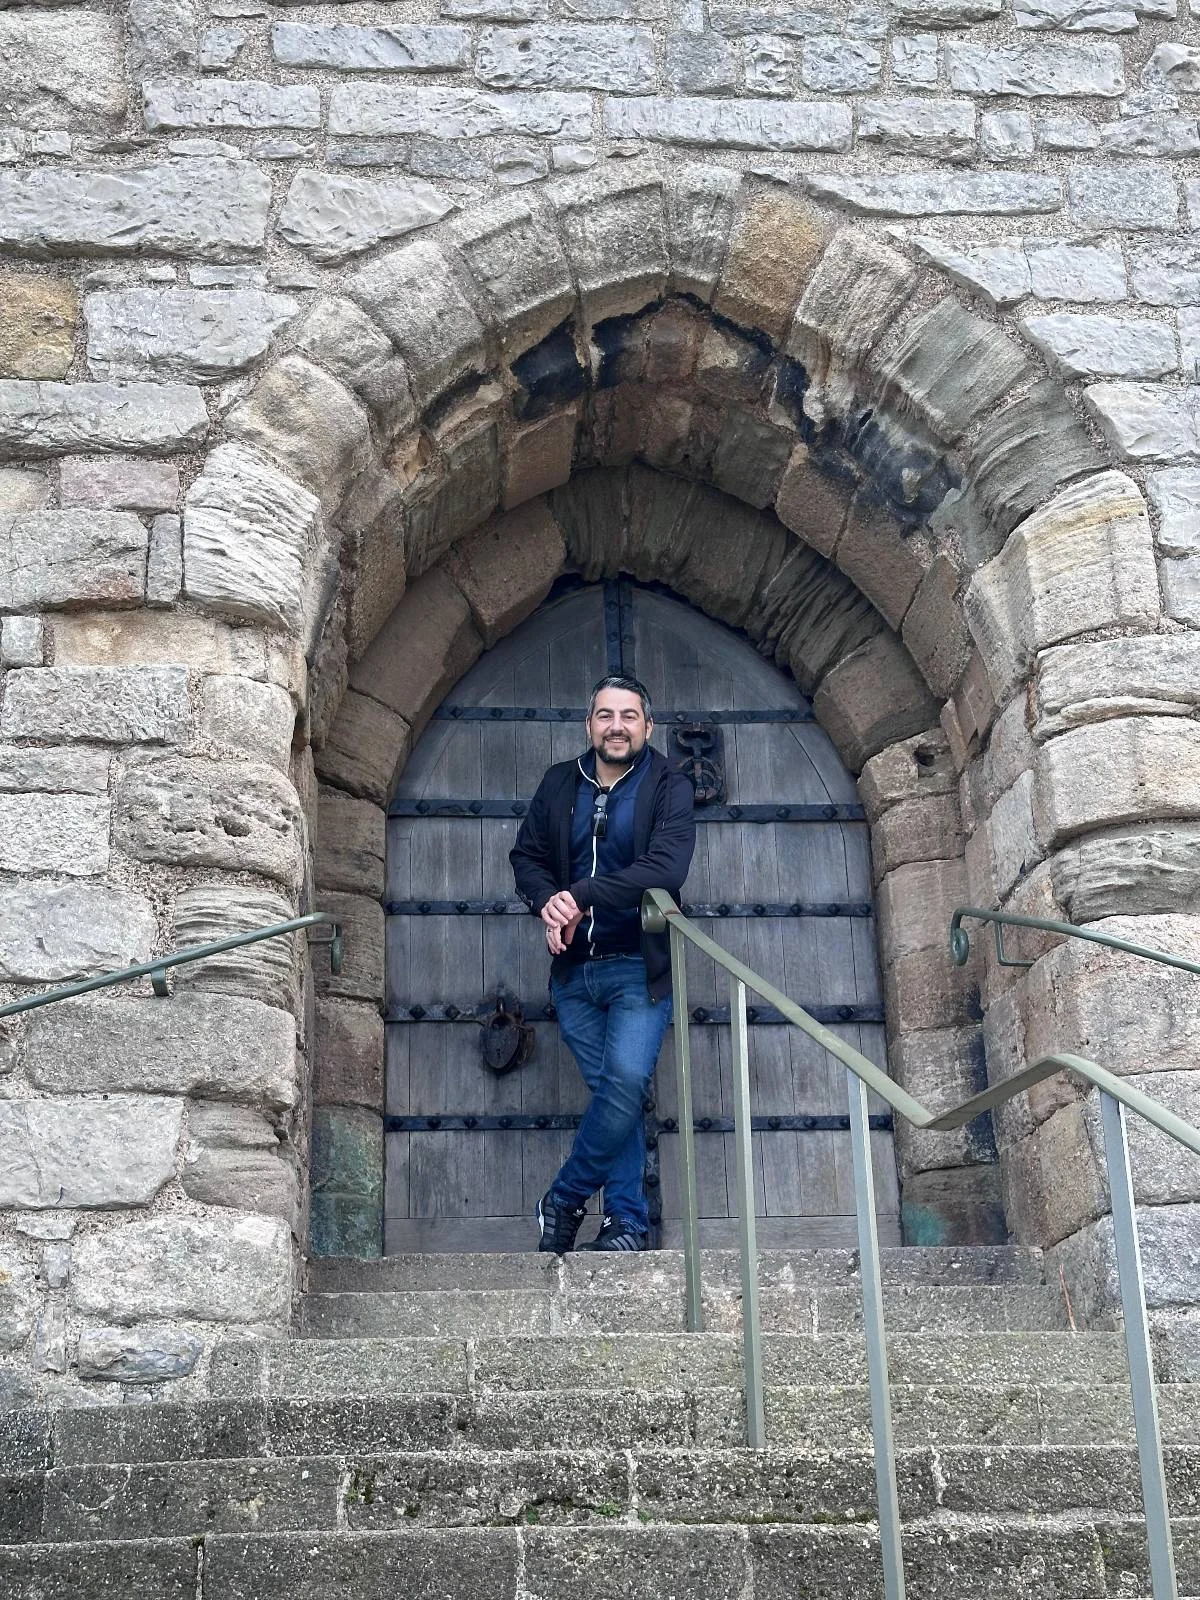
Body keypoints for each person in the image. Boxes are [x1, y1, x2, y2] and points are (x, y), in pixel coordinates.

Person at [510, 674, 696, 1253]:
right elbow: (528, 857)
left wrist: (582, 894)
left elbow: (665, 870)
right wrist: (548, 899)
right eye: (605, 715)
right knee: (614, 1096)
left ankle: (564, 1199)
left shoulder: (669, 784)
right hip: (573, 973)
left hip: (638, 967)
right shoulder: (560, 782)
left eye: (629, 716)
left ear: (648, 725)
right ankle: (625, 1223)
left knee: (624, 1083)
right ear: (589, 723)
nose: (617, 726)